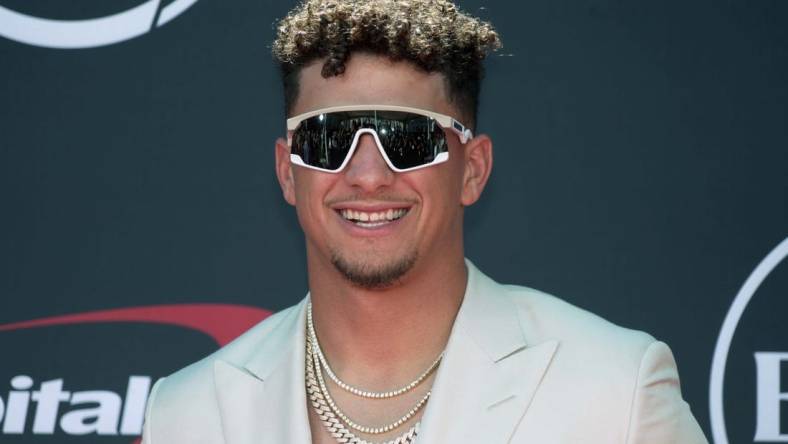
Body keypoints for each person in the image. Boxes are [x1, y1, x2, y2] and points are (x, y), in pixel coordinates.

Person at [142, 0, 708, 443]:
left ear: (473, 169)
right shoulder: (187, 413)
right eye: (327, 139)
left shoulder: (616, 391)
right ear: (288, 172)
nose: (367, 175)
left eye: (407, 138)